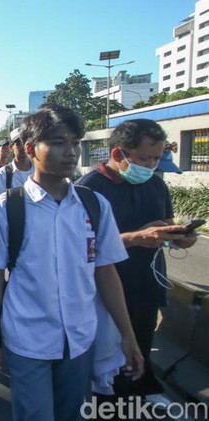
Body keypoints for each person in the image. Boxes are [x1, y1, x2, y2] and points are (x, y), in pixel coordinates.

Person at [0, 104, 144, 420]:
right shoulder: (4, 209)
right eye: (57, 142)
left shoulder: (94, 206)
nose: (70, 152)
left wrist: (127, 333)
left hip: (80, 340)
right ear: (30, 149)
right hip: (27, 340)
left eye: (75, 142)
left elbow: (106, 272)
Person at [77, 119, 197, 405]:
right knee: (107, 349)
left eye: (157, 158)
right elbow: (80, 246)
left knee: (141, 338)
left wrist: (180, 236)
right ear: (119, 154)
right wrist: (134, 237)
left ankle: (141, 389)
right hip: (106, 285)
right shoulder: (88, 189)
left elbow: (166, 223)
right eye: (144, 158)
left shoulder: (156, 184)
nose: (151, 165)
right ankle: (104, 398)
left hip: (147, 280)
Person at [0, 128, 35, 198]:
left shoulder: (40, 171)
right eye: (18, 144)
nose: (23, 147)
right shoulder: (3, 174)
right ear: (11, 147)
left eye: (26, 143)